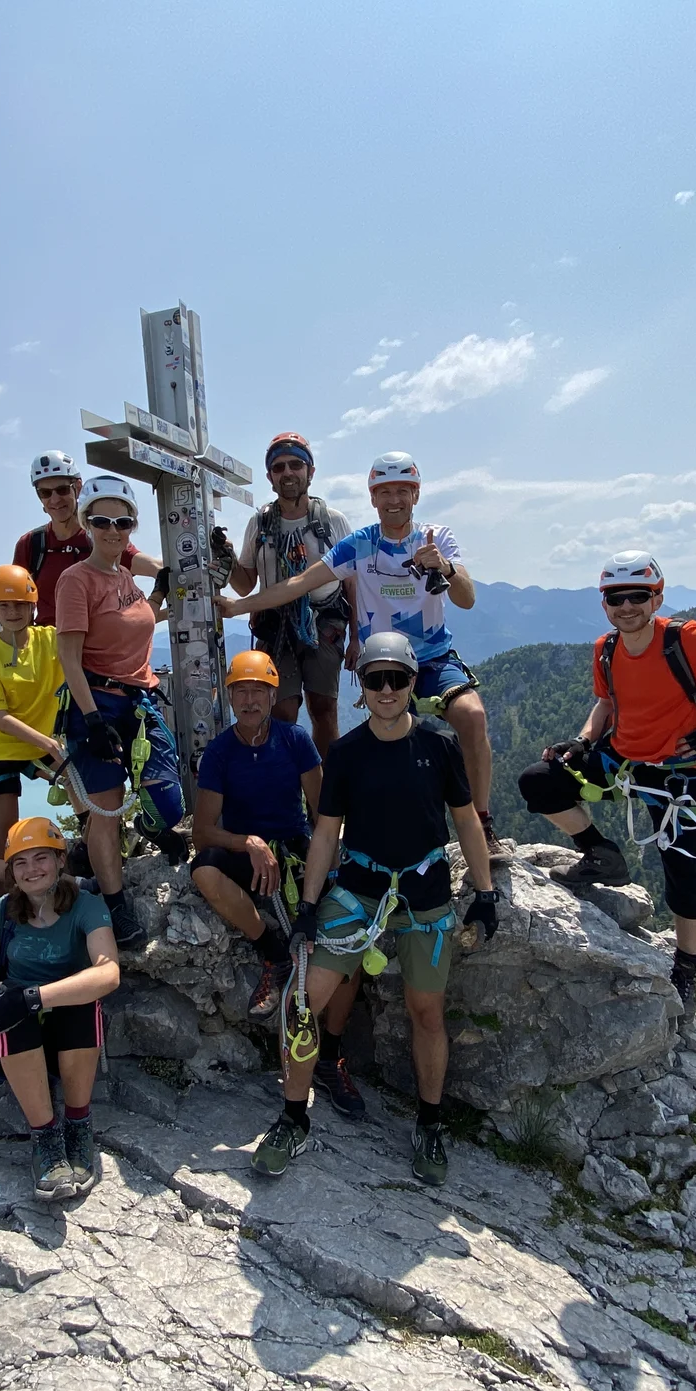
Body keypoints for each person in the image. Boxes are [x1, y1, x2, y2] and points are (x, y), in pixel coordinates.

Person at [250, 632, 500, 1187]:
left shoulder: (439, 745)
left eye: (397, 679)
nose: (386, 689)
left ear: (414, 683)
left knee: (426, 1011)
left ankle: (430, 1122)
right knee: (302, 1000)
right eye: (374, 679)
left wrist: (484, 894)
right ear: (360, 687)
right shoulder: (346, 753)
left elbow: (465, 821)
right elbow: (325, 834)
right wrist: (310, 905)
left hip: (423, 892)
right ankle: (293, 1116)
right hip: (359, 888)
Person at [515, 551, 696, 1016]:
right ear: (604, 603)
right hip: (624, 760)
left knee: (683, 871)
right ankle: (601, 854)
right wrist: (582, 743)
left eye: (637, 596)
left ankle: (686, 966)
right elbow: (606, 703)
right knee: (540, 781)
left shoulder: (689, 640)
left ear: (656, 596)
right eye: (615, 597)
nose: (626, 606)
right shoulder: (606, 649)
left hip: (680, 773)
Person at [219, 453, 502, 853]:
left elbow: (467, 599)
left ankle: (482, 822)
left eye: (402, 490)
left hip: (433, 657)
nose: (394, 500)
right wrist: (238, 606)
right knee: (395, 753)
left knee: (471, 716)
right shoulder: (360, 545)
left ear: (416, 494)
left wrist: (447, 568)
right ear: (373, 499)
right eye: (384, 492)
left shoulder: (436, 538)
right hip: (384, 665)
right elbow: (300, 583)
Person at [186, 652, 375, 1108]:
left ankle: (329, 1057)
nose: (249, 700)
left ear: (273, 696)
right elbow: (203, 831)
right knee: (205, 869)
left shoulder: (295, 741)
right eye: (240, 691)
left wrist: (327, 868)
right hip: (245, 850)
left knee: (347, 944)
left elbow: (322, 808)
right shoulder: (219, 752)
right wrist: (248, 842)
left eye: (258, 691)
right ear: (229, 696)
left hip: (294, 848)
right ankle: (272, 951)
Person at [56, 474, 186, 949]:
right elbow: (69, 657)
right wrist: (92, 722)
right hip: (98, 702)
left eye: (123, 521)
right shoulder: (76, 580)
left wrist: (160, 595)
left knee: (169, 800)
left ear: (133, 527)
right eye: (102, 520)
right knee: (105, 810)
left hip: (138, 701)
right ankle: (113, 903)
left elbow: (136, 620)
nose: (113, 529)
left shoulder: (126, 578)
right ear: (87, 523)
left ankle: (149, 826)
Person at [0, 818, 121, 1201]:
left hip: (66, 1033)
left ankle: (78, 1125)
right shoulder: (4, 910)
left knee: (80, 1001)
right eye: (20, 863)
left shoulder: (86, 906)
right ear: (10, 872)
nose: (31, 869)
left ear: (60, 861)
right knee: (11, 1012)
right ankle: (47, 1139)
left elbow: (108, 972)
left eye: (41, 858)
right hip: (16, 1039)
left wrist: (33, 996)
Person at [227, 432, 356, 756]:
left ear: (310, 472)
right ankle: (291, 787)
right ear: (270, 476)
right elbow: (244, 584)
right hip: (276, 625)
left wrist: (357, 637)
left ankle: (326, 795)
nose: (288, 473)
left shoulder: (333, 521)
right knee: (283, 710)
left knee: (324, 707)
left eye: (296, 465)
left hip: (325, 621)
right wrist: (226, 558)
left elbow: (352, 582)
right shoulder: (260, 524)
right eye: (280, 467)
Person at [0, 563, 68, 893]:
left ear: (32, 607)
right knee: (8, 835)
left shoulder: (51, 639)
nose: (13, 612)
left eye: (20, 605)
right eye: (4, 606)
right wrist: (50, 742)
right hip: (0, 746)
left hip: (41, 743)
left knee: (87, 797)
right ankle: (4, 909)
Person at [14, 451, 161, 628]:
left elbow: (156, 568)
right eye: (45, 493)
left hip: (95, 647)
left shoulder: (102, 536)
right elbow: (16, 602)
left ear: (77, 486)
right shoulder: (31, 544)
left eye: (62, 490)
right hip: (47, 648)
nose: (54, 499)